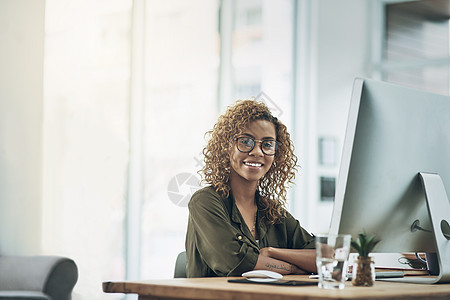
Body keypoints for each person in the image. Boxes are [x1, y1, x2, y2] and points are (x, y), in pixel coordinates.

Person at [185, 100, 316, 277]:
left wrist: (272, 252)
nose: (258, 152)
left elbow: (325, 257)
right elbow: (237, 263)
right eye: (246, 141)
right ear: (226, 146)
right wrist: (295, 269)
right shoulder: (205, 201)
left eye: (268, 144)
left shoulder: (271, 211)